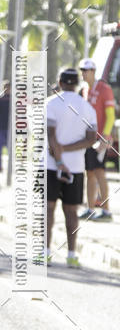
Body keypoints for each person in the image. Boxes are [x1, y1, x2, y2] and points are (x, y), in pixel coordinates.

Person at [45, 68, 97, 268]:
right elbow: (91, 139)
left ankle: (45, 253)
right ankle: (71, 255)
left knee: (48, 209)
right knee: (71, 212)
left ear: (59, 82)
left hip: (49, 165)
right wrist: (66, 150)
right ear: (77, 84)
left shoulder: (50, 103)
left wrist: (59, 159)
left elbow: (50, 136)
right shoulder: (87, 108)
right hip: (75, 167)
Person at [78, 58, 115, 221]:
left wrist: (105, 137)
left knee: (99, 172)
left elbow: (110, 115)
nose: (83, 73)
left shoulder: (104, 89)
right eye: (82, 70)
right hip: (88, 139)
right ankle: (90, 208)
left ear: (93, 71)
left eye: (86, 70)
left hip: (100, 140)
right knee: (90, 173)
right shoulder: (85, 90)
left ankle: (106, 211)